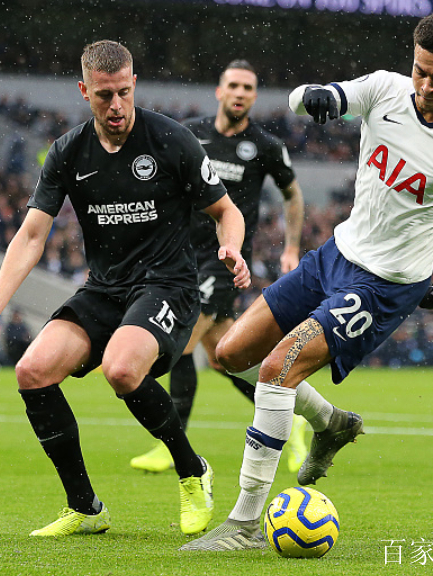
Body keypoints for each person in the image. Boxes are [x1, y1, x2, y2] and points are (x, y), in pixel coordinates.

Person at [182, 13, 433, 551]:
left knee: (278, 369)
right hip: (335, 255)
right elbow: (301, 98)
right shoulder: (384, 90)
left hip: (385, 284)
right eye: (421, 70)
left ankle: (243, 527)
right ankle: (333, 424)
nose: (426, 85)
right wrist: (316, 99)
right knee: (230, 353)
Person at [0, 40, 250, 538]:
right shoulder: (68, 152)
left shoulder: (171, 140)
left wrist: (232, 248)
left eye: (125, 93)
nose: (116, 107)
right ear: (84, 90)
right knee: (32, 370)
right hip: (105, 289)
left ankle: (192, 470)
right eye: (105, 96)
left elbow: (227, 211)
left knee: (121, 368)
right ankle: (86, 508)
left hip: (167, 285)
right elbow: (31, 234)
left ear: (135, 86)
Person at [130, 59, 307, 475]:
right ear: (219, 91)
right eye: (234, 85)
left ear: (254, 95)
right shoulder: (191, 133)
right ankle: (297, 419)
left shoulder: (264, 145)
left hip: (224, 258)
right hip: (180, 256)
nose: (241, 93)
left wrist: (292, 248)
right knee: (229, 357)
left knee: (179, 344)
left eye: (249, 87)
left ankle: (170, 445)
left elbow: (293, 195)